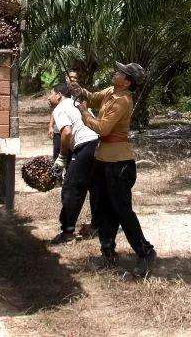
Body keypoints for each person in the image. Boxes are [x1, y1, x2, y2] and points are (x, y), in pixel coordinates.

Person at [73, 62, 156, 276]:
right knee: (103, 208)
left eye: (121, 73)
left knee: (122, 210)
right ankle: (108, 253)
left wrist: (84, 112)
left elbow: (103, 128)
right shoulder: (111, 91)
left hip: (118, 163)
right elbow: (93, 97)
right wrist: (80, 91)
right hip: (103, 159)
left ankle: (145, 252)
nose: (116, 72)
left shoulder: (123, 101)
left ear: (127, 82)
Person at [46, 83, 100, 244]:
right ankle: (97, 226)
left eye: (51, 93)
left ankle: (67, 232)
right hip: (98, 144)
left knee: (71, 188)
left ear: (59, 95)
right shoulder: (77, 103)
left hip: (85, 146)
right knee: (95, 187)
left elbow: (67, 132)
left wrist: (62, 156)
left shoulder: (60, 108)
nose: (49, 97)